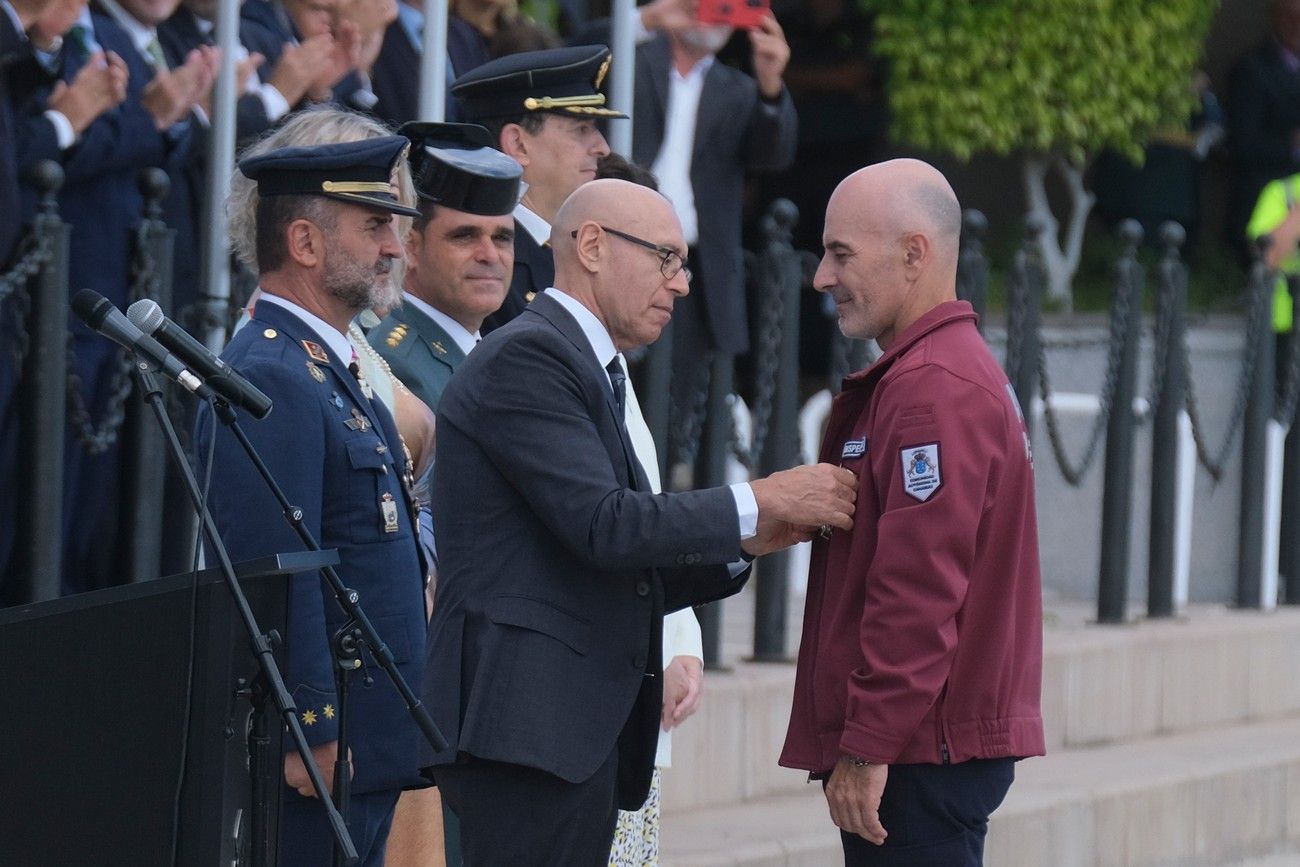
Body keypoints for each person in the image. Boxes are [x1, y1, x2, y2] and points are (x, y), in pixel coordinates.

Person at [421, 177, 858, 864]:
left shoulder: (587, 364)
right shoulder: (531, 356)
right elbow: (607, 525)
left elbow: (601, 559)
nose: (681, 284)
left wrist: (746, 538)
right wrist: (761, 497)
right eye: (666, 257)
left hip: (564, 731)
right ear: (591, 245)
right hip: (527, 732)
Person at [779, 160, 1045, 866]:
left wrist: (868, 743)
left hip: (920, 750)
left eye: (841, 254)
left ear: (914, 253)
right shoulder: (939, 374)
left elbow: (917, 591)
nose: (822, 278)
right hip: (929, 742)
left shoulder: (932, 388)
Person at [194, 136, 431, 867]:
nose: (396, 246)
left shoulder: (328, 362)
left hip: (372, 734)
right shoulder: (273, 372)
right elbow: (275, 570)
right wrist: (312, 727)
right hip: (324, 745)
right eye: (374, 225)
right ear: (303, 241)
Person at [450, 43, 623, 332]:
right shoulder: (491, 264)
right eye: (582, 129)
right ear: (518, 144)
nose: (602, 148)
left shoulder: (567, 248)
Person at [369, 121, 522, 414]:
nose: (490, 255)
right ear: (410, 247)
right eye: (465, 236)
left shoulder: (490, 355)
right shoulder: (397, 364)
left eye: (502, 238)